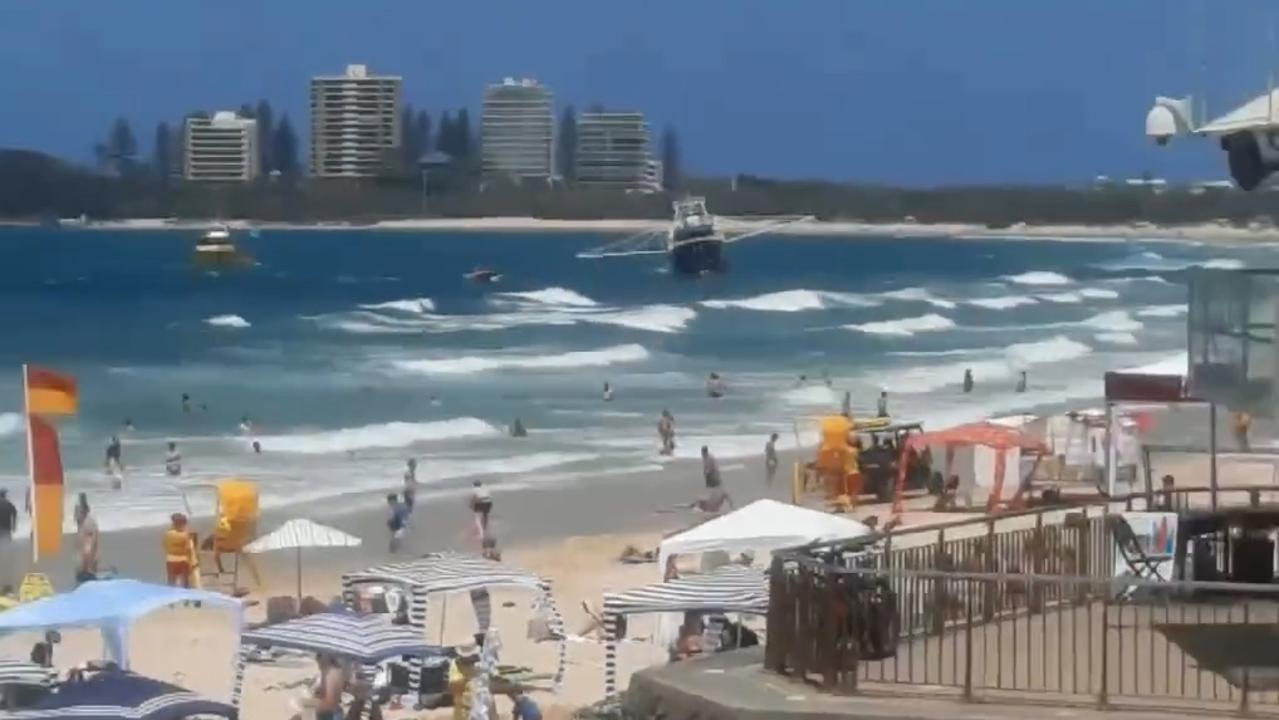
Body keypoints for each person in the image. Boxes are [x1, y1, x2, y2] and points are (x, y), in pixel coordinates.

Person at [295, 653, 349, 720]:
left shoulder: (331, 673)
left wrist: (308, 712)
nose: (318, 666)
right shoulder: (331, 671)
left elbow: (329, 703)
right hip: (333, 712)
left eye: (319, 661)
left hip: (330, 715)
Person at [164, 514, 195, 587]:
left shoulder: (168, 534)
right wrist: (191, 563)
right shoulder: (185, 535)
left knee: (171, 582)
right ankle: (185, 596)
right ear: (182, 524)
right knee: (185, 583)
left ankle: (171, 596)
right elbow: (188, 550)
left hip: (170, 559)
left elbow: (165, 546)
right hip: (183, 560)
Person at [74, 494, 99, 584]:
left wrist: (85, 569)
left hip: (87, 570)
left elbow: (88, 550)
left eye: (77, 511)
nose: (74, 515)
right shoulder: (82, 524)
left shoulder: (88, 524)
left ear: (83, 510)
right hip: (85, 568)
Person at [0, 489, 16, 592]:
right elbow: (15, 513)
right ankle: (6, 584)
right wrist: (14, 525)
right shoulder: (9, 504)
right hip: (6, 530)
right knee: (6, 556)